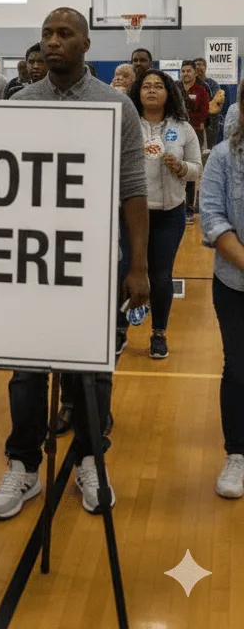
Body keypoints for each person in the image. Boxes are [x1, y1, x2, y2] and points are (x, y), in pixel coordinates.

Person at [0, 9, 148, 521]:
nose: (52, 43)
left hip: (94, 261)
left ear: (85, 44)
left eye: (63, 35)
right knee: (27, 368)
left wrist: (138, 265)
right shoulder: (21, 102)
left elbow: (134, 191)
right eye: (46, 35)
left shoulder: (116, 105)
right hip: (31, 259)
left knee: (91, 368)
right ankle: (24, 464)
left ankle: (90, 459)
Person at [124, 69, 201, 359]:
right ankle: (120, 331)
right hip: (131, 213)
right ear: (138, 92)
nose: (152, 90)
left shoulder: (182, 128)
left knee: (160, 275)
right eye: (146, 86)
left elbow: (197, 167)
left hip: (169, 214)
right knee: (127, 272)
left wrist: (181, 168)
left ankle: (158, 333)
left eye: (158, 86)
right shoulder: (127, 124)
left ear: (169, 92)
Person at [200, 108, 244, 497]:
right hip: (235, 283)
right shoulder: (224, 157)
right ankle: (237, 455)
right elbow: (212, 219)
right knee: (239, 367)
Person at [180, 60, 210, 223]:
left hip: (194, 135)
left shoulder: (201, 90)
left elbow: (203, 113)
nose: (185, 74)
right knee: (175, 169)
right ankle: (175, 208)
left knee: (191, 171)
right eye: (183, 71)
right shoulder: (175, 89)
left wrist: (188, 123)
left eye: (188, 71)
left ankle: (189, 210)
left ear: (194, 73)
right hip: (175, 133)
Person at [195, 57, 225, 151]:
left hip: (211, 124)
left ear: (205, 67)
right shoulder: (190, 84)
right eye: (195, 65)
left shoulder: (213, 84)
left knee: (210, 149)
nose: (198, 67)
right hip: (194, 123)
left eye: (200, 64)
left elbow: (216, 105)